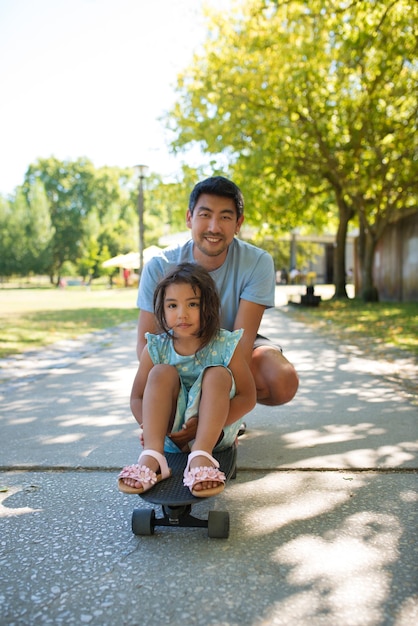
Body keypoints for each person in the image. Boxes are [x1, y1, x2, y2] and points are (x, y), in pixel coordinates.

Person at [135, 176, 298, 449]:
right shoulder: (159, 266)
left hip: (230, 343)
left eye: (225, 217)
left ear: (239, 223)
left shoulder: (257, 262)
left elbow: (243, 342)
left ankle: (223, 415)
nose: (214, 227)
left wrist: (219, 414)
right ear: (189, 218)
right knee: (160, 375)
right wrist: (153, 416)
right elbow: (145, 342)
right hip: (177, 345)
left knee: (281, 379)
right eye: (205, 214)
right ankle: (182, 415)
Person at [118, 262, 256, 497]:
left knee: (217, 374)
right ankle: (153, 457)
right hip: (169, 436)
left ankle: (201, 455)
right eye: (172, 305)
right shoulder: (156, 348)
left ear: (209, 307)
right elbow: (137, 397)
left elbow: (247, 397)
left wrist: (202, 430)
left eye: (192, 304)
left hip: (214, 434)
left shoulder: (224, 345)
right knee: (160, 372)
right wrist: (151, 428)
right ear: (162, 310)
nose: (182, 314)